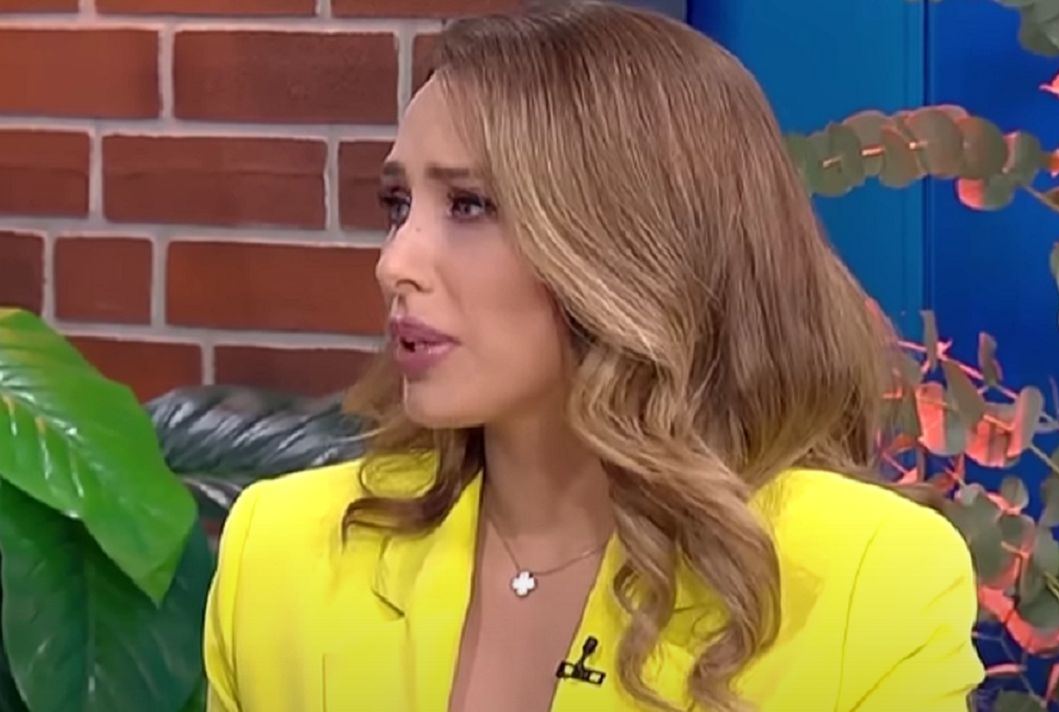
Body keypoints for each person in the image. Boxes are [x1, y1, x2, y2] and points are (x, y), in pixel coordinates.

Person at [202, 2, 984, 711]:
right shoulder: (279, 551)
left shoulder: (869, 580)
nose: (394, 263)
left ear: (633, 245)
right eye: (398, 205)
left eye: (469, 205)